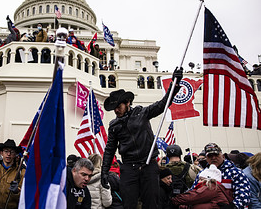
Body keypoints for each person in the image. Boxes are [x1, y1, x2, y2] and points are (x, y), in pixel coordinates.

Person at [101, 68, 183, 209]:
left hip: (148, 165)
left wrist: (174, 85)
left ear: (127, 102)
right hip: (128, 167)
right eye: (114, 108)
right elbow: (110, 150)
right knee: (129, 204)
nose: (116, 110)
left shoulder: (142, 113)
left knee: (151, 203)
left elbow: (162, 104)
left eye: (118, 106)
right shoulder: (114, 125)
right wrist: (104, 171)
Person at [191, 143, 251, 209]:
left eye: (216, 155)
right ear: (206, 158)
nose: (213, 158)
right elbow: (193, 191)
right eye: (210, 156)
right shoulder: (202, 173)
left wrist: (233, 206)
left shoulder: (235, 172)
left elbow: (244, 193)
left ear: (223, 156)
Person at [0, 139, 25, 209]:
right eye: (6, 151)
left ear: (15, 154)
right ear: (1, 153)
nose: (8, 154)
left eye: (12, 152)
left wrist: (17, 191)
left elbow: (26, 196)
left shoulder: (21, 172)